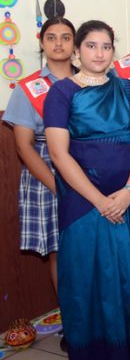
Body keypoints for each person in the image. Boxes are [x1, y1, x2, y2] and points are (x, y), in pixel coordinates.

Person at [44, 20, 130, 360]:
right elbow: (59, 155)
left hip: (126, 197)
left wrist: (129, 191)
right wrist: (100, 200)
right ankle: (90, 354)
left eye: (106, 46)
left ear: (113, 51)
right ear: (77, 51)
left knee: (125, 274)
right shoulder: (61, 93)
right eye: (91, 46)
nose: (99, 53)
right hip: (82, 200)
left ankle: (127, 348)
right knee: (87, 277)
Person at [2, 17, 76, 297]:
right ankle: (72, 321)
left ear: (75, 43)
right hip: (46, 173)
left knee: (91, 247)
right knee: (61, 250)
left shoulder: (89, 80)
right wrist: (59, 187)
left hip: (87, 165)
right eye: (52, 37)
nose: (59, 43)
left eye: (66, 37)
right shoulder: (27, 88)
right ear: (42, 43)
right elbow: (24, 147)